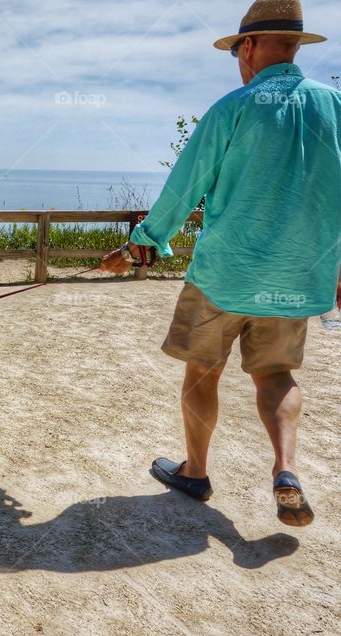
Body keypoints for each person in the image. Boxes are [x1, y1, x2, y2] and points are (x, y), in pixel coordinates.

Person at [101, 0, 341, 527]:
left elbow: (183, 188)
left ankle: (195, 471)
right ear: (295, 47)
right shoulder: (335, 107)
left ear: (249, 46)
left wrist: (140, 245)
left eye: (237, 50)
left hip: (223, 276)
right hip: (296, 277)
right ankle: (287, 470)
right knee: (276, 375)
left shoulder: (233, 108)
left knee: (201, 373)